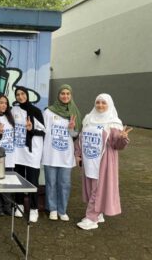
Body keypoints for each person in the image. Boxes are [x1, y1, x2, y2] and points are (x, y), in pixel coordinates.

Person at [75, 94, 131, 230]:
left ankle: (91, 218)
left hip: (103, 163)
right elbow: (81, 138)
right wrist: (78, 153)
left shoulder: (113, 122)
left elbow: (117, 145)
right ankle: (98, 213)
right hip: (88, 161)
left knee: (97, 189)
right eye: (98, 102)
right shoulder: (88, 119)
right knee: (90, 188)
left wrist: (123, 138)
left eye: (103, 103)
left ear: (109, 105)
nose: (100, 105)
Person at [42, 84, 82, 221]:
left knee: (65, 184)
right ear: (58, 95)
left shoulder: (74, 112)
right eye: (62, 93)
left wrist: (71, 128)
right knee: (51, 183)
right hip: (50, 154)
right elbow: (42, 132)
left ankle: (62, 210)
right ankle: (52, 209)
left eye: (68, 94)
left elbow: (76, 135)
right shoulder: (48, 112)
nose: (65, 96)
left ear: (71, 96)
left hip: (66, 155)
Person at [11, 86, 45, 222]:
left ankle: (33, 208)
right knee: (18, 179)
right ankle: (18, 205)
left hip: (32, 152)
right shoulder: (14, 110)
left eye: (22, 94)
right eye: (18, 94)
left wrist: (31, 130)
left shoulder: (35, 111)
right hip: (18, 152)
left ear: (27, 95)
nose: (20, 97)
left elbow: (43, 132)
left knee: (32, 181)